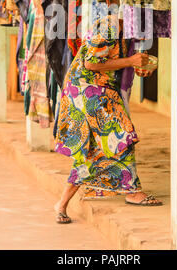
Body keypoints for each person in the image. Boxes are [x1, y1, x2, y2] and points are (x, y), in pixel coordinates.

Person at [54, 12, 162, 224]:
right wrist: (131, 60)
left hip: (101, 88)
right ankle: (132, 191)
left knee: (93, 149)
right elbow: (91, 64)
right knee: (122, 136)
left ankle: (62, 204)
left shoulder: (128, 35)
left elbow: (116, 63)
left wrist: (138, 66)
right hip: (87, 89)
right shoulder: (109, 27)